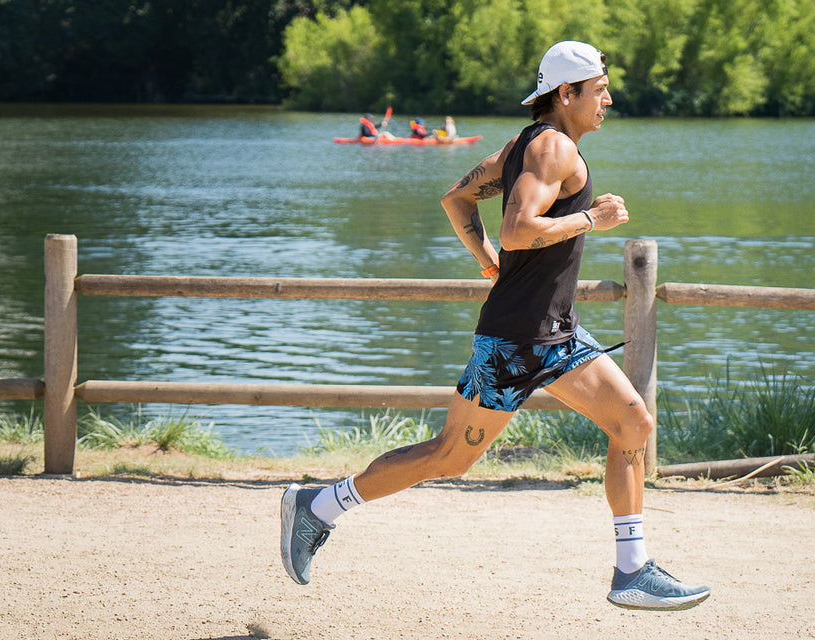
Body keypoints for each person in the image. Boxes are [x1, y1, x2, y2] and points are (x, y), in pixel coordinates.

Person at [280, 40, 711, 612]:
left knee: (633, 421)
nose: (608, 96)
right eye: (599, 87)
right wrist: (592, 219)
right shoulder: (552, 147)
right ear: (566, 93)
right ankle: (318, 506)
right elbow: (518, 230)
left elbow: (457, 200)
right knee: (450, 457)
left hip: (555, 334)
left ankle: (631, 570)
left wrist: (488, 266)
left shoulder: (522, 146)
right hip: (514, 342)